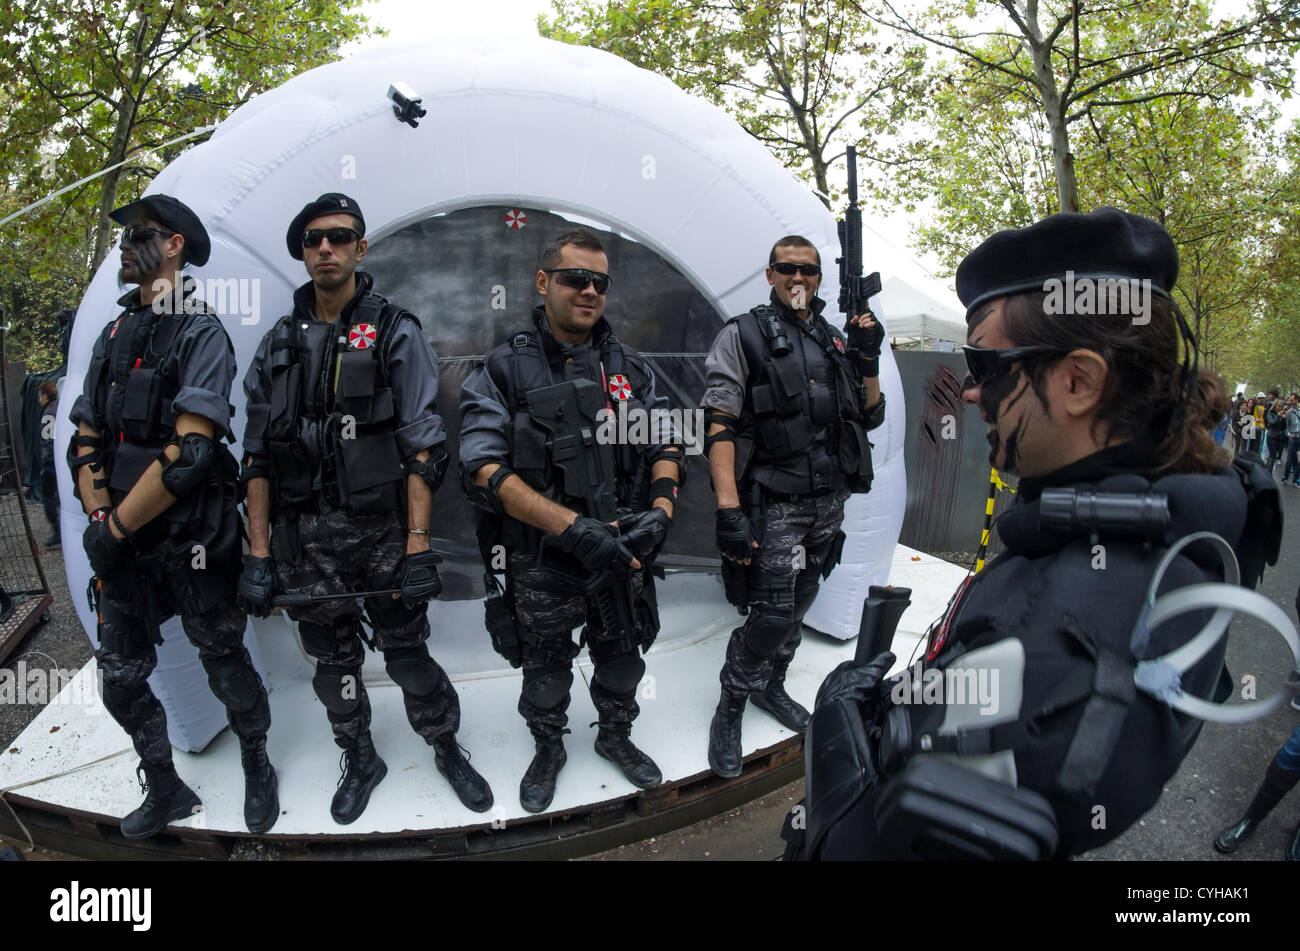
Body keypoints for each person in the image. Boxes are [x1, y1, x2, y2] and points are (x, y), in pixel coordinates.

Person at [789, 207, 1280, 860]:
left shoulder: (1056, 644)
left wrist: (837, 732)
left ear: (1078, 381)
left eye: (985, 365)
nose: (968, 392)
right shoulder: (1164, 529)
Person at [238, 193, 492, 823]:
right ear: (302, 252)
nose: (327, 248)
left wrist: (418, 545)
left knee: (408, 655)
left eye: (340, 237)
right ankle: (360, 756)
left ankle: (444, 744)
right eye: (315, 239)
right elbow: (258, 457)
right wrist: (260, 555)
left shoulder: (392, 329)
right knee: (334, 666)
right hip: (307, 539)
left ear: (360, 248)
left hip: (383, 532)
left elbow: (423, 446)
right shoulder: (276, 346)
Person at [66, 194, 277, 837]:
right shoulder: (114, 332)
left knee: (226, 666)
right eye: (126, 236)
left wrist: (118, 527)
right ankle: (164, 786)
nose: (125, 247)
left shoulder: (200, 331)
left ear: (176, 246)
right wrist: (103, 524)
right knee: (121, 682)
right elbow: (85, 436)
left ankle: (256, 761)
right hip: (124, 548)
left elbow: (190, 453)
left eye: (141, 235)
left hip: (191, 541)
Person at [458, 228, 685, 813]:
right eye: (574, 278)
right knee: (546, 671)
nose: (588, 290)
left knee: (623, 659)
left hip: (622, 550)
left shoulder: (628, 367)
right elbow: (482, 467)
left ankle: (615, 736)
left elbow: (666, 441)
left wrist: (661, 510)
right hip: (545, 560)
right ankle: (549, 747)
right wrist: (567, 525)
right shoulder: (506, 369)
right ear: (543, 282)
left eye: (599, 282)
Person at [698, 234, 886, 777]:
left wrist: (867, 360)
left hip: (830, 503)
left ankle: (771, 688)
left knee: (802, 602)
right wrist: (729, 508)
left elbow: (869, 414)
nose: (797, 278)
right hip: (776, 504)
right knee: (771, 613)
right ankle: (732, 702)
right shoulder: (744, 334)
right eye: (787, 269)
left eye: (808, 271)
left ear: (820, 279)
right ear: (770, 274)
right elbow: (719, 424)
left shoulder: (833, 339)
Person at [37, 380, 61, 548]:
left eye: (40, 395)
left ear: (45, 395)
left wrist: (46, 465)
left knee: (48, 496)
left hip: (52, 464)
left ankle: (57, 531)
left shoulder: (48, 414)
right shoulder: (61, 406)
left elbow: (48, 441)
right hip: (61, 461)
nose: (39, 399)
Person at [1284, 396, 1300, 486]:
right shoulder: (1289, 412)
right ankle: (1285, 477)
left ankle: (1296, 480)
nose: (1289, 401)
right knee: (1289, 459)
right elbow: (1286, 427)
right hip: (1292, 438)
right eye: (1289, 400)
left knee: (1299, 460)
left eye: (1292, 400)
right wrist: (1289, 435)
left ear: (1297, 400)